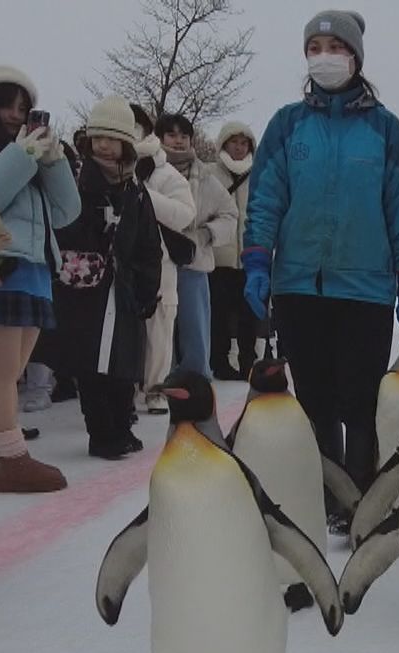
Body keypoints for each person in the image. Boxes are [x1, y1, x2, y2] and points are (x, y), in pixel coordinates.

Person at [244, 10, 399, 528]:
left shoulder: (385, 131)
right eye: (315, 47)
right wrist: (258, 262)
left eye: (333, 46)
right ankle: (328, 496)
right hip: (300, 286)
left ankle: (361, 497)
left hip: (365, 290)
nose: (324, 56)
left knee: (361, 402)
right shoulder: (286, 126)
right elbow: (266, 202)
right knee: (316, 401)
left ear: (355, 57)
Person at [0, 65, 80, 493]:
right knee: (4, 369)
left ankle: (8, 448)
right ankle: (10, 456)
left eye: (22, 106)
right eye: (7, 103)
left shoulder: (29, 154)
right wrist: (21, 156)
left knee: (14, 368)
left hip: (36, 267)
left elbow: (68, 212)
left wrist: (54, 160)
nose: (14, 113)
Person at [59, 98, 164, 460]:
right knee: (91, 367)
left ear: (126, 143)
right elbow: (64, 231)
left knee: (124, 365)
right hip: (87, 291)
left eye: (112, 138)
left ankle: (121, 426)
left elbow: (150, 244)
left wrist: (149, 290)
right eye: (97, 137)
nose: (103, 145)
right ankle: (101, 434)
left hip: (126, 290)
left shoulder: (134, 189)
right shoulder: (76, 181)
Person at [155, 113, 239, 383]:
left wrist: (205, 235)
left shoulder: (205, 176)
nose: (178, 141)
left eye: (183, 135)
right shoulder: (148, 170)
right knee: (159, 325)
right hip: (156, 261)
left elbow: (230, 214)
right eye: (171, 135)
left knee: (195, 325)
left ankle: (196, 378)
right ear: (159, 138)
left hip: (193, 261)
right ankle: (157, 377)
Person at [131, 103, 195, 414]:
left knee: (160, 327)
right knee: (125, 327)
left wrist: (142, 195)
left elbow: (185, 215)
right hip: (123, 261)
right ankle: (125, 387)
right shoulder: (111, 167)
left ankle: (156, 390)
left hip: (160, 262)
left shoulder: (165, 173)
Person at [206, 120, 264, 379]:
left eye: (244, 143)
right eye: (234, 142)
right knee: (218, 314)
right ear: (223, 143)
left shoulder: (260, 174)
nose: (239, 148)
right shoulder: (210, 173)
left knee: (248, 314)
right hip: (218, 256)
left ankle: (248, 362)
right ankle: (219, 362)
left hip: (249, 257)